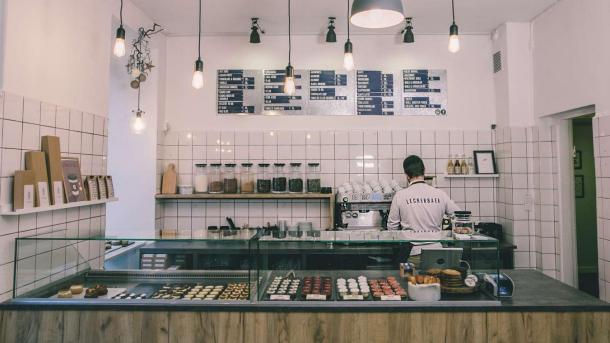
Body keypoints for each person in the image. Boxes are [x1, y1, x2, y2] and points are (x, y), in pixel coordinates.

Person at [387, 155, 460, 264]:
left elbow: (392, 227)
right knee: (435, 280)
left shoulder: (400, 195)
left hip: (412, 253)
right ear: (424, 171)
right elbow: (459, 217)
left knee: (413, 281)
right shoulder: (439, 194)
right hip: (437, 252)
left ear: (407, 175)